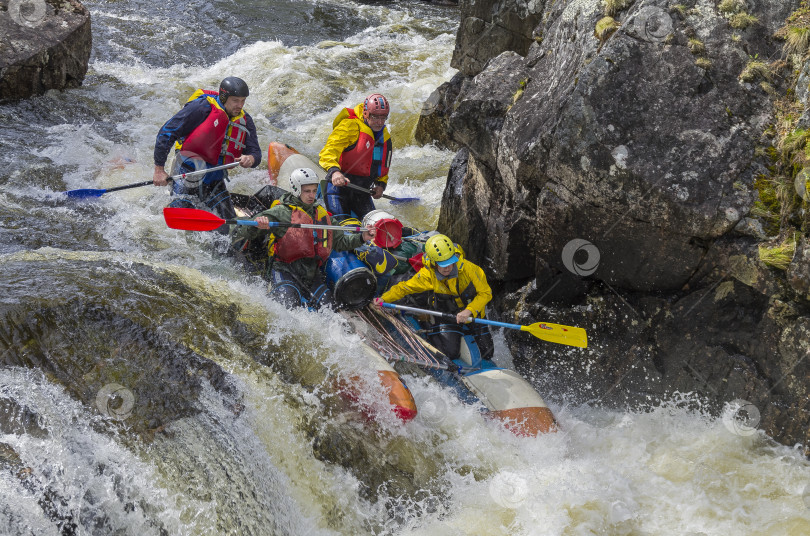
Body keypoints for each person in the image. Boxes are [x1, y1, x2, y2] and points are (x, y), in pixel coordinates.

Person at [233, 168, 376, 309]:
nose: (311, 195)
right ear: (296, 189)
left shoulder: (322, 215)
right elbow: (245, 231)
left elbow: (340, 243)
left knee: (330, 310)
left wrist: (363, 237)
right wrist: (258, 225)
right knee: (288, 305)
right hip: (284, 269)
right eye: (307, 191)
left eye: (314, 191)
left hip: (311, 274)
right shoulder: (281, 212)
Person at [152, 76, 262, 224]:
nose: (240, 105)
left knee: (228, 227)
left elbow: (256, 153)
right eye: (235, 100)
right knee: (184, 224)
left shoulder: (245, 120)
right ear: (224, 97)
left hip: (215, 179)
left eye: (243, 101)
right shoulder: (201, 108)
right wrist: (159, 170)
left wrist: (251, 159)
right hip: (188, 174)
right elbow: (167, 132)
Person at [374, 234, 495, 361]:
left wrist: (469, 310)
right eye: (443, 264)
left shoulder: (470, 269)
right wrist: (384, 298)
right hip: (448, 315)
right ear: (433, 262)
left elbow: (486, 293)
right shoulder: (428, 274)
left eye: (450, 262)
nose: (448, 267)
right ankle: (427, 325)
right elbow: (404, 288)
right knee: (451, 353)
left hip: (473, 314)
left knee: (488, 353)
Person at [319, 93, 393, 222]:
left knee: (378, 226)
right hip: (337, 189)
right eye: (375, 117)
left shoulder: (385, 137)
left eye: (383, 117)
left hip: (362, 192)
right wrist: (334, 172)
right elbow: (328, 152)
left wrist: (381, 185)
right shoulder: (349, 126)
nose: (380, 122)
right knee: (343, 227)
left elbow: (383, 166)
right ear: (365, 113)